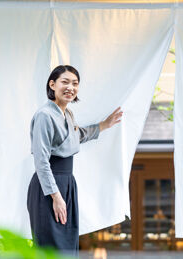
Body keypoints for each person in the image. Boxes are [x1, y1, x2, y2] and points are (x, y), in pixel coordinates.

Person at [27, 65, 123, 256]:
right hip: (49, 187)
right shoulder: (45, 115)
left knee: (68, 248)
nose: (70, 87)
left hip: (67, 185)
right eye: (65, 82)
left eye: (75, 83)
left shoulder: (67, 114)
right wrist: (55, 196)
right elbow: (41, 160)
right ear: (52, 85)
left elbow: (76, 136)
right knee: (51, 249)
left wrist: (103, 125)